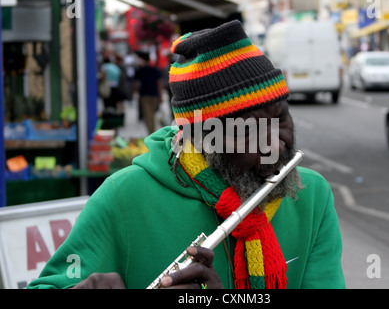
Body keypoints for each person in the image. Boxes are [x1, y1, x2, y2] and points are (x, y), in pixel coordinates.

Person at [28, 20, 345, 290]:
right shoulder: (124, 197)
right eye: (249, 132)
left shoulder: (313, 197)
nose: (276, 145)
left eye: (281, 120)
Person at [133, 52, 163, 134]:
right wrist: (160, 96)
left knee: (148, 116)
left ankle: (151, 133)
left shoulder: (140, 70)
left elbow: (134, 83)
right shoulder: (155, 70)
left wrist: (135, 92)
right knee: (152, 115)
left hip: (144, 95)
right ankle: (152, 132)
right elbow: (159, 83)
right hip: (155, 95)